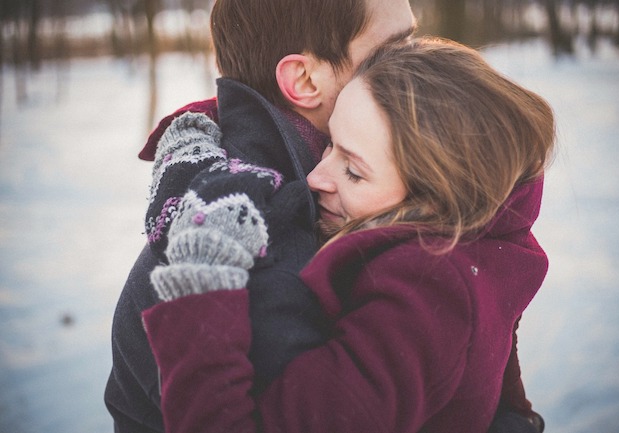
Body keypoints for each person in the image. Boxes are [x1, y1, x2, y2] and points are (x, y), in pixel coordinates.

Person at [141, 37, 555, 432]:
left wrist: (202, 283)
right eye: (329, 144)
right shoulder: (486, 243)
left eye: (354, 171)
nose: (316, 177)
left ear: (435, 200)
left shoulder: (423, 299)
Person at [105, 1, 418, 431]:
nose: (421, 63)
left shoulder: (333, 189)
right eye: (394, 50)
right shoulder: (260, 248)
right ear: (304, 80)